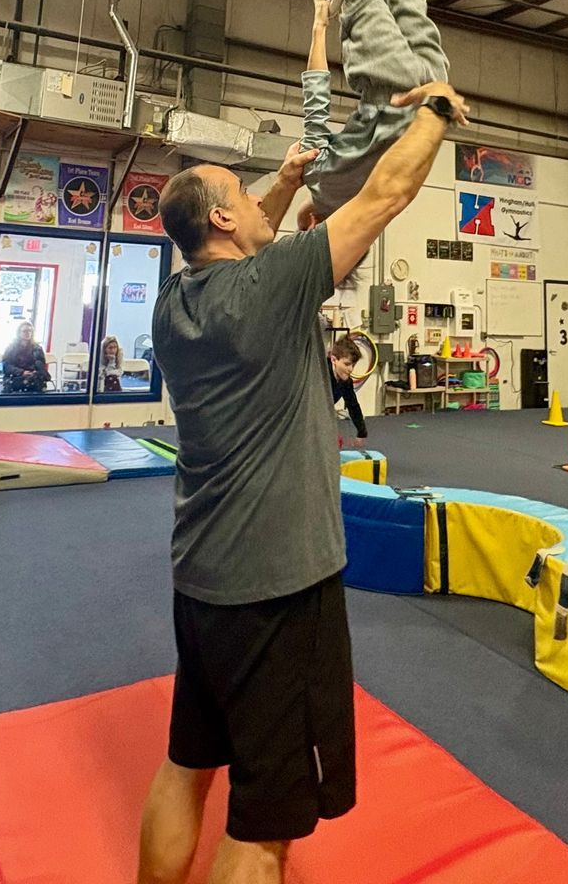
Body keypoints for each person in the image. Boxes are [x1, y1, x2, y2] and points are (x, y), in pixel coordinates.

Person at [137, 69, 467, 884]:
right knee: (266, 826)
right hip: (278, 587)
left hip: (201, 582)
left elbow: (248, 244)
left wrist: (283, 181)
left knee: (188, 763)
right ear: (220, 216)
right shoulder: (275, 286)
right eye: (244, 198)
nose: (260, 206)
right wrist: (435, 111)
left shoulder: (175, 303)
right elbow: (386, 195)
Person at [297, 0, 451, 226]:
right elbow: (315, 101)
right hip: (385, 87)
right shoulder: (319, 183)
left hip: (432, 87)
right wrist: (320, 30)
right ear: (314, 226)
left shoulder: (381, 206)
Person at [326, 336, 368, 440]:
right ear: (334, 360)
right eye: (347, 364)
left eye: (353, 365)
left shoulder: (346, 382)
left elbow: (353, 405)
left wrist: (361, 432)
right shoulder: (321, 374)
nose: (350, 369)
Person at [0, 322, 51, 393]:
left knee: (38, 381)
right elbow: (6, 366)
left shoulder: (37, 348)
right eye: (25, 331)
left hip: (33, 377)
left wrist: (36, 372)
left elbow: (41, 365)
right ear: (19, 333)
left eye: (30, 331)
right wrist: (22, 372)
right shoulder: (11, 348)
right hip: (15, 377)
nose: (28, 333)